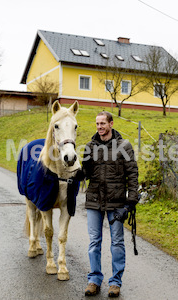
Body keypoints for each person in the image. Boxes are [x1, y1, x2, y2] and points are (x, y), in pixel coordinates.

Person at [76, 111, 138, 297]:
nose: (100, 127)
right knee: (94, 242)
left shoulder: (124, 146)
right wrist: (78, 174)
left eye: (103, 123)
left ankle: (115, 282)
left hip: (117, 202)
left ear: (111, 124)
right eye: (97, 123)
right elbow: (85, 173)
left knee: (117, 242)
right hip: (94, 200)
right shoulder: (89, 147)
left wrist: (130, 202)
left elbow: (133, 176)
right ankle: (94, 280)